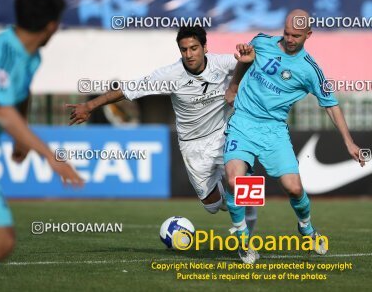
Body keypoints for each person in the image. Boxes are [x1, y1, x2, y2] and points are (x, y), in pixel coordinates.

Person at [66, 27, 258, 232]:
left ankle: (247, 240)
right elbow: (128, 89)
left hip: (225, 134)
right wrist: (89, 106)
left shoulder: (223, 63)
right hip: (192, 145)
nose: (189, 54)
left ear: (205, 47)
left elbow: (252, 64)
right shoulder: (170, 75)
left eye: (194, 48)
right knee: (213, 205)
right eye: (184, 50)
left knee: (241, 185)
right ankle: (233, 198)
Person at [223, 9, 365, 264]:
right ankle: (243, 241)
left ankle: (306, 228)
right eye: (287, 33)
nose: (289, 39)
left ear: (308, 35)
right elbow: (243, 63)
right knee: (235, 181)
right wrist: (233, 87)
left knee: (294, 188)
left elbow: (331, 105)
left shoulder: (310, 70)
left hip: (274, 130)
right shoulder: (262, 42)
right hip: (243, 122)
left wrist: (349, 141)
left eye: (296, 36)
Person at [0, 0, 84, 262]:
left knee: (3, 241)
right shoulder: (5, 52)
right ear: (51, 26)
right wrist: (50, 156)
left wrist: (21, 140)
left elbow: (19, 96)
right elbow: (1, 109)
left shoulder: (30, 57)